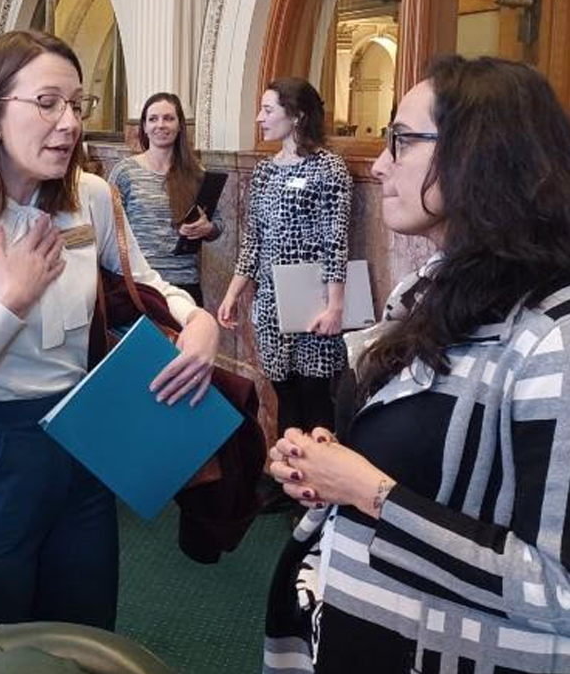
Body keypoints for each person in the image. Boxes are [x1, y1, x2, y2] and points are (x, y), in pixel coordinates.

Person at [0, 29, 220, 646]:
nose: (69, 124)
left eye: (77, 105)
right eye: (47, 103)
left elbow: (145, 282)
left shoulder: (89, 198)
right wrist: (10, 302)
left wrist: (199, 320)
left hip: (79, 454)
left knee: (79, 643)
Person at [265, 57, 570, 674]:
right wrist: (325, 464)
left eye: (402, 141)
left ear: (480, 154)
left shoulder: (552, 339)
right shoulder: (427, 290)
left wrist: (367, 490)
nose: (378, 166)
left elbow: (557, 590)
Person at [217, 78, 352, 436]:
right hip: (271, 300)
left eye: (268, 110)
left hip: (315, 298)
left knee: (316, 394)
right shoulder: (263, 171)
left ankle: (320, 486)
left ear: (296, 116)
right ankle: (286, 480)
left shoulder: (329, 167)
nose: (260, 118)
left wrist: (335, 305)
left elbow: (335, 239)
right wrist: (232, 293)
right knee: (284, 393)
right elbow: (252, 241)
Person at [108, 92, 221, 306]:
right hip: (139, 283)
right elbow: (108, 228)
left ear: (180, 126)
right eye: (153, 119)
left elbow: (219, 225)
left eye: (168, 118)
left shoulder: (196, 173)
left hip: (185, 283)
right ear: (144, 126)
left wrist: (208, 228)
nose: (161, 125)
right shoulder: (125, 172)